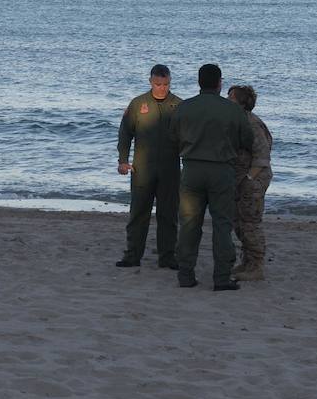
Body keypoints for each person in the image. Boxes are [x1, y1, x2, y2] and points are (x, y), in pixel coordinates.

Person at [170, 63, 255, 291]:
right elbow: (248, 140)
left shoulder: (184, 107)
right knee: (222, 224)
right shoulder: (232, 110)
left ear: (199, 82)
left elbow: (173, 138)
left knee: (189, 224)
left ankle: (186, 275)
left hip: (191, 170)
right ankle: (221, 278)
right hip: (221, 171)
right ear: (220, 83)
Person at [115, 64, 183, 268]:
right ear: (150, 81)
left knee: (168, 215)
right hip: (142, 169)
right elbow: (125, 133)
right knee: (138, 214)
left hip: (170, 169)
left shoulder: (179, 105)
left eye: (166, 84)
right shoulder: (138, 104)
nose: (162, 88)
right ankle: (132, 255)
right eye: (158, 84)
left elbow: (189, 137)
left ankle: (167, 257)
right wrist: (122, 160)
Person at [227, 84, 273, 281]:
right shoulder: (237, 121)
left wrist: (249, 179)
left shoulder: (252, 124)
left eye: (231, 98)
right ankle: (247, 262)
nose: (227, 101)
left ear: (241, 103)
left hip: (252, 181)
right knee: (239, 222)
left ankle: (256, 266)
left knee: (250, 223)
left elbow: (262, 157)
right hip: (240, 181)